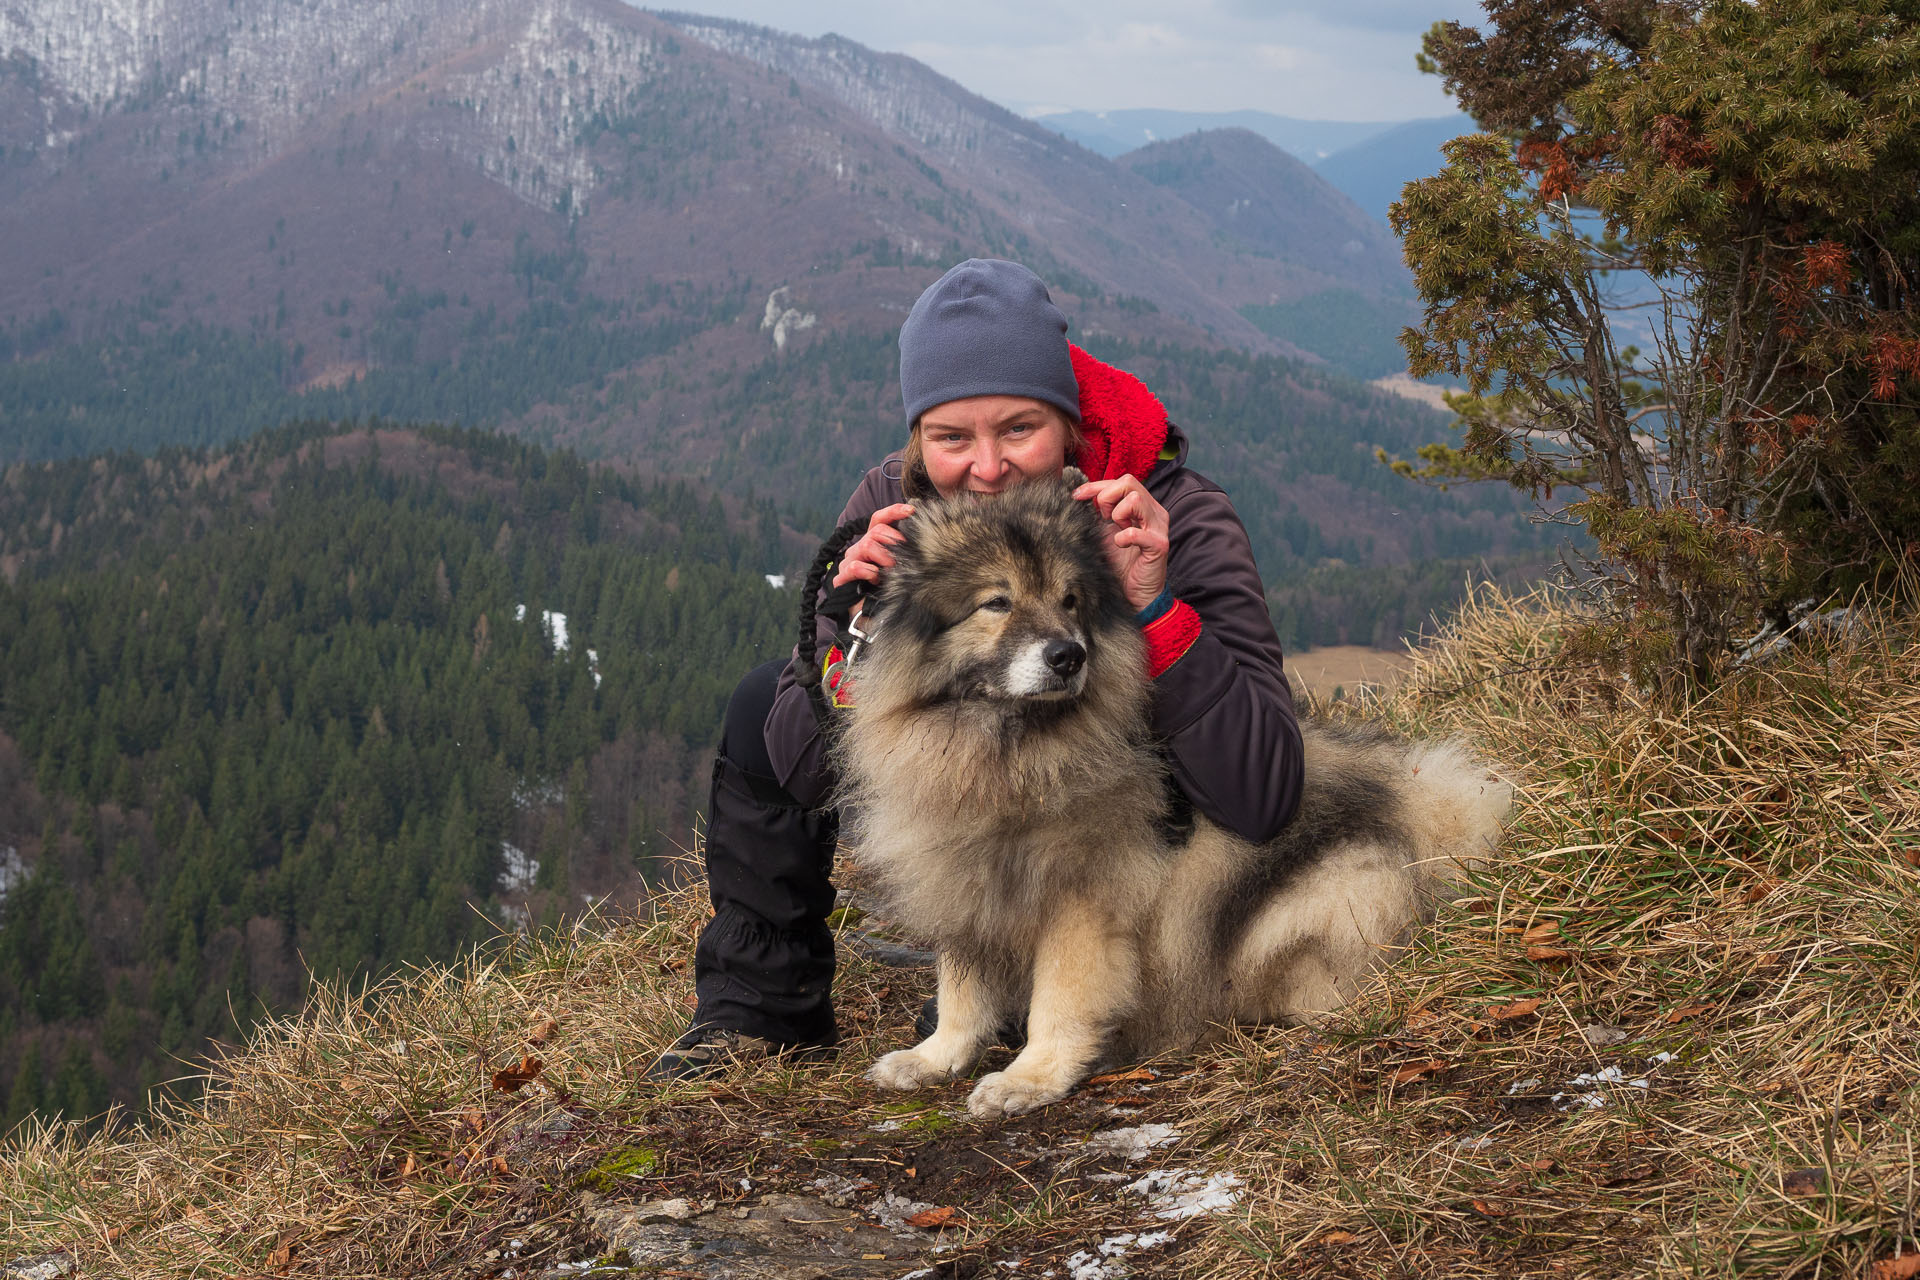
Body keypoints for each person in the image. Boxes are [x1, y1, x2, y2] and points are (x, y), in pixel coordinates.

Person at [647, 259, 1305, 1079]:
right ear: (919, 441)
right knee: (759, 705)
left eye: (1019, 428)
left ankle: (1035, 996)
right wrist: (853, 639)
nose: (987, 469)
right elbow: (805, 767)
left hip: (1124, 868)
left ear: (1067, 423)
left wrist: (1156, 610)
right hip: (975, 838)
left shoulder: (1172, 513)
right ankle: (757, 1008)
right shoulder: (894, 505)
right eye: (952, 437)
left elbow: (1266, 794)